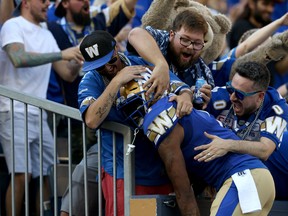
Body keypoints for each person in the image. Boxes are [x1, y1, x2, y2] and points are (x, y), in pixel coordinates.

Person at [115, 77, 275, 215]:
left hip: (243, 178)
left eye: (134, 97)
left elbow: (184, 193)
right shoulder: (177, 107)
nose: (132, 106)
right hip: (255, 179)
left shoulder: (159, 118)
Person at [77, 30, 192, 216]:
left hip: (160, 165)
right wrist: (117, 81)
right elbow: (91, 120)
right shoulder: (91, 80)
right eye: (99, 66)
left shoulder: (140, 63)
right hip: (123, 172)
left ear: (117, 50)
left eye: (111, 61)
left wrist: (185, 96)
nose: (107, 69)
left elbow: (181, 87)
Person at [0, 0, 84, 215]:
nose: (48, 3)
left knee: (45, 174)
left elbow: (66, 73)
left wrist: (77, 58)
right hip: (14, 110)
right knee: (21, 174)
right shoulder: (13, 25)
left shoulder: (46, 32)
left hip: (38, 112)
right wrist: (61, 54)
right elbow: (18, 58)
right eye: (43, 0)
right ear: (26, 2)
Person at [46, 0, 141, 164]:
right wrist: (81, 56)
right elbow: (67, 74)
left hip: (114, 114)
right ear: (65, 3)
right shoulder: (54, 29)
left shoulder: (97, 21)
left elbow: (127, 6)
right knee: (83, 165)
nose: (85, 1)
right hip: (76, 112)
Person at [195, 61, 288, 200]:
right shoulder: (222, 96)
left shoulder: (275, 106)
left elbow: (264, 151)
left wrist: (228, 144)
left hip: (280, 177)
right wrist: (189, 97)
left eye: (239, 94)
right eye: (231, 89)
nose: (232, 97)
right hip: (241, 176)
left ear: (260, 97)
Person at [128, 9, 214, 109]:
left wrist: (202, 103)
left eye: (197, 43)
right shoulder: (161, 40)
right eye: (185, 40)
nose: (190, 47)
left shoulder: (203, 73)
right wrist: (161, 64)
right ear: (172, 35)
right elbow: (135, 34)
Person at [211, 12, 288, 87]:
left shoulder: (263, 81)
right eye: (264, 46)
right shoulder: (228, 62)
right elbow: (246, 46)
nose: (265, 51)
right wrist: (280, 22)